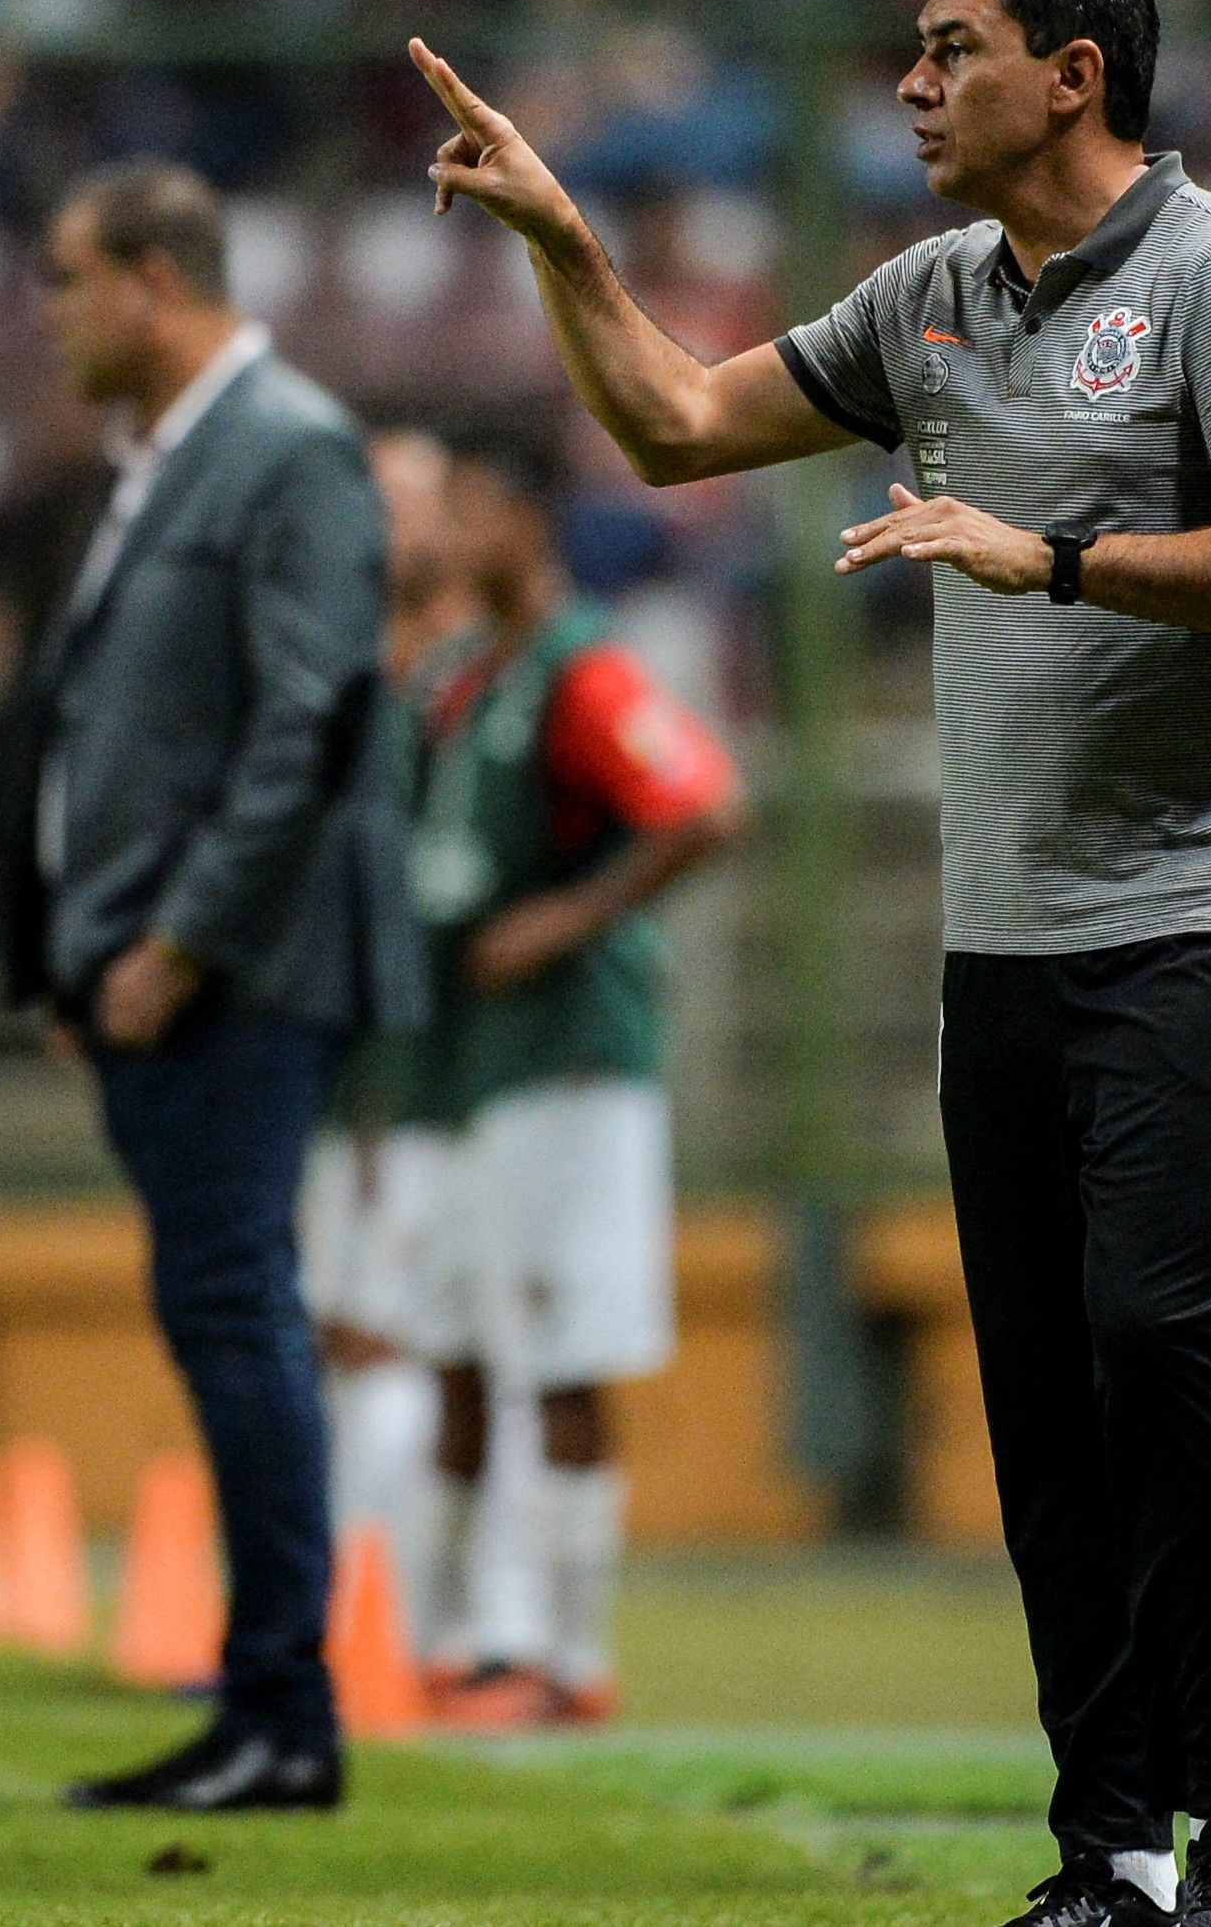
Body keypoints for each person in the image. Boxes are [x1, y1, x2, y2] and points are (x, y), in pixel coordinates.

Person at [412, 0, 1211, 1923]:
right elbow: (673, 424)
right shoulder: (927, 296)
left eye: (951, 52)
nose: (912, 88)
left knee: (1157, 1336)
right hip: (1002, 937)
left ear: (1074, 77)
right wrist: (557, 238)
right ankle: (1101, 1852)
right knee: (1036, 1394)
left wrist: (1054, 555)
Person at [0, 161, 425, 1812]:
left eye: (69, 278)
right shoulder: (176, 459)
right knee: (218, 1308)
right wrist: (75, 939)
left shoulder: (286, 446)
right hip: (150, 957)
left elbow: (312, 720)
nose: (49, 312)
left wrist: (184, 937)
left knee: (238, 1308)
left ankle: (284, 1713)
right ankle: (265, 1698)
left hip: (237, 966)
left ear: (155, 281)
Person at [400, 432, 741, 1731]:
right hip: (486, 1070)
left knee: (558, 1355)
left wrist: (569, 918)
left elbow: (704, 804)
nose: (442, 535)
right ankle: (453, 1643)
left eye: (469, 506)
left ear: (526, 525)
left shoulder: (580, 669)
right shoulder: (468, 678)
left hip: (574, 1063)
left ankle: (566, 1656)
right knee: (469, 1349)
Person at [297, 427, 476, 1650]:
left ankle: (404, 1622)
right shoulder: (356, 670)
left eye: (413, 504)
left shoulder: (476, 675)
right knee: (335, 1329)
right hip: (342, 1059)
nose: (390, 530)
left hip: (446, 1068)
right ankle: (346, 1610)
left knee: (403, 1336)